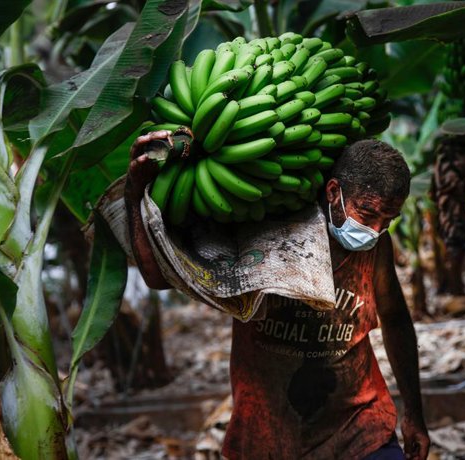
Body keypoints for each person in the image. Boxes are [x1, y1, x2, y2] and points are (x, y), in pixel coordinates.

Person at [125, 134, 430, 460]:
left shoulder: (375, 246)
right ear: (333, 192)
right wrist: (134, 194)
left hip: (360, 427)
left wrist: (414, 412)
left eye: (388, 221)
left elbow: (395, 318)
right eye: (368, 214)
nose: (376, 229)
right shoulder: (263, 231)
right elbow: (158, 277)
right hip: (268, 434)